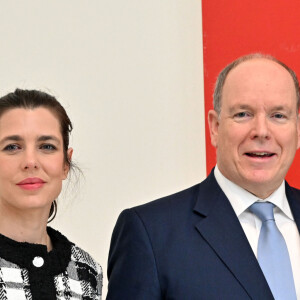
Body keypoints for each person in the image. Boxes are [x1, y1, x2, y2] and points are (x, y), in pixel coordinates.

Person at [107, 53, 300, 299]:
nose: (261, 131)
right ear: (215, 127)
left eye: (278, 115)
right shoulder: (150, 233)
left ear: (297, 129)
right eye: (243, 114)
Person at [0, 89, 102, 299]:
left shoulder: (88, 271)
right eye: (12, 147)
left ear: (66, 163)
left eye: (47, 146)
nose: (30, 162)